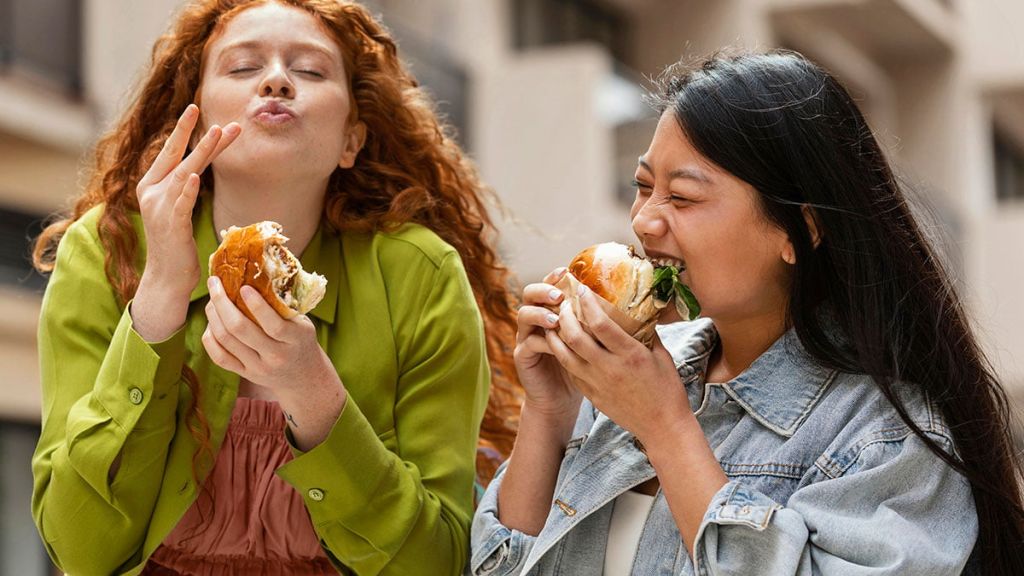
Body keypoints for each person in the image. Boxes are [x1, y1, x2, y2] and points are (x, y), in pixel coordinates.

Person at [470, 50, 1024, 576]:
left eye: (682, 198)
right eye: (642, 187)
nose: (643, 221)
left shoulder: (883, 437)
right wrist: (549, 411)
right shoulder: (628, 381)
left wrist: (665, 427)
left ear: (799, 231)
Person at [30, 1, 522, 574]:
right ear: (194, 121)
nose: (276, 80)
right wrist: (158, 301)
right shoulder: (107, 249)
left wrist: (311, 392)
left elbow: (434, 560)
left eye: (310, 71)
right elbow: (79, 549)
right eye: (242, 68)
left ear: (350, 142)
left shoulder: (423, 274)